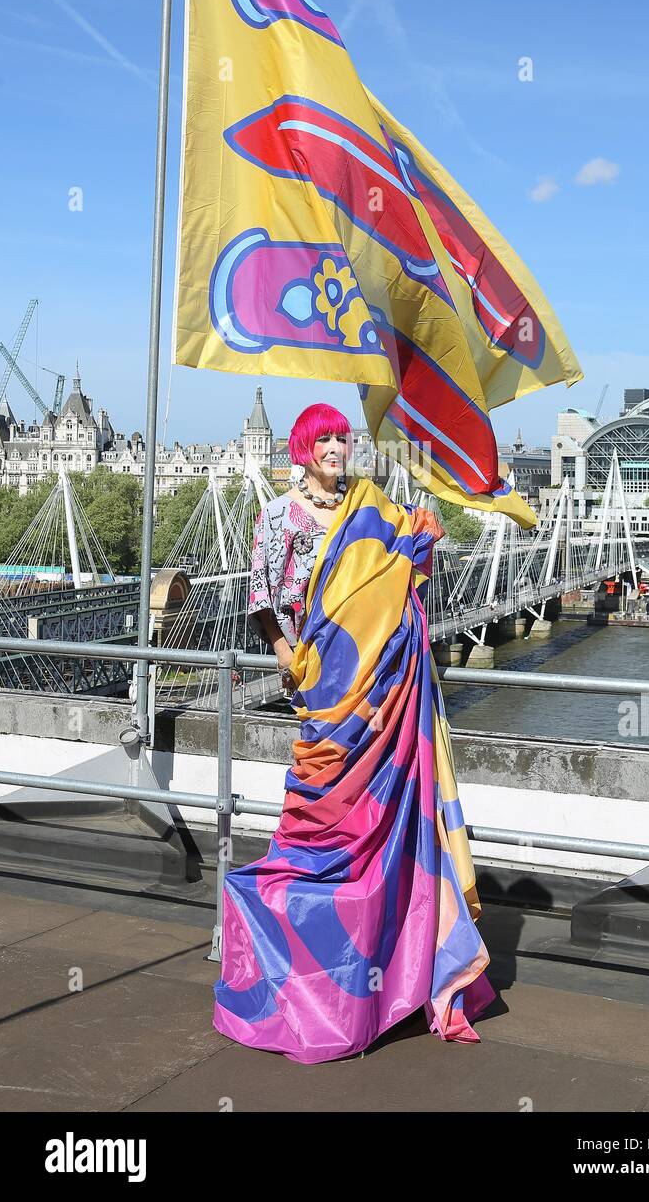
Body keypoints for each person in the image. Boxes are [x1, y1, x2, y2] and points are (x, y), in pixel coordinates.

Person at [212, 401, 496, 1064]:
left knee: (388, 810)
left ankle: (390, 966)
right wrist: (290, 661)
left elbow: (412, 560)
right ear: (304, 447)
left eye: (343, 437)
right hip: (322, 681)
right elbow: (261, 598)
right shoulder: (279, 515)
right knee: (324, 814)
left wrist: (425, 529)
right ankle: (318, 969)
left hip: (379, 685)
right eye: (326, 438)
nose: (337, 447)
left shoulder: (367, 508)